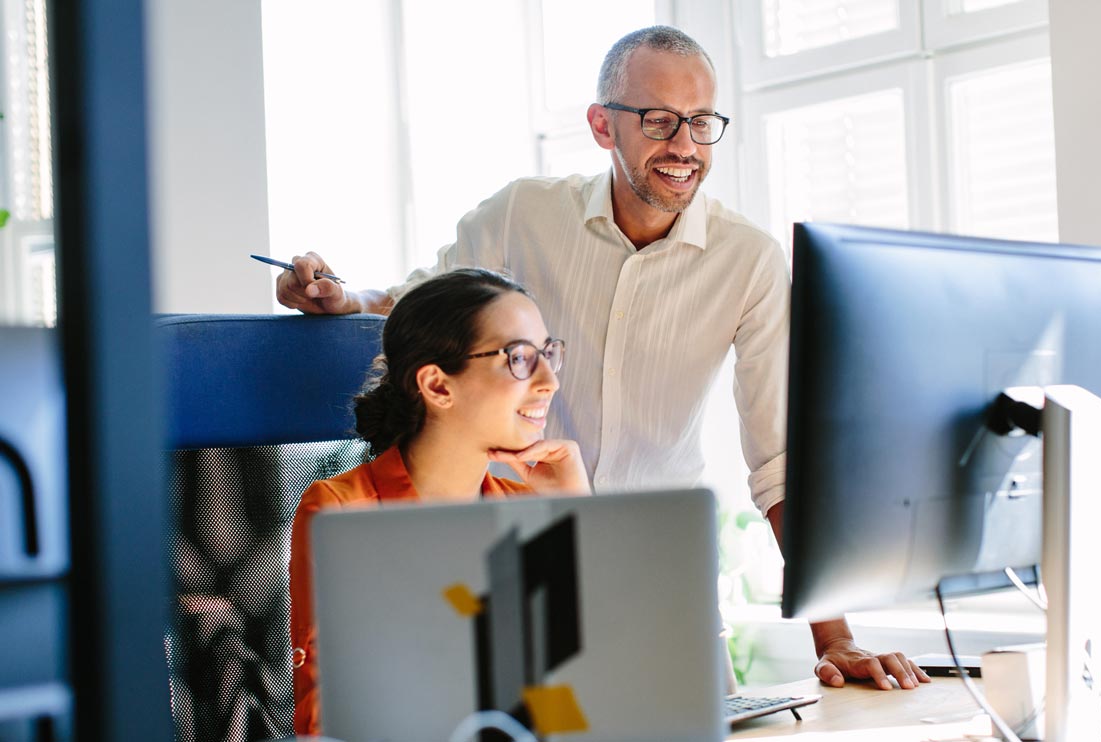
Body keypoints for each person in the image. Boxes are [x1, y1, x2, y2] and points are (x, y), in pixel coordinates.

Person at [276, 26, 930, 693]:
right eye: (660, 120)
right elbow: (428, 303)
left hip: (655, 589)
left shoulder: (749, 260)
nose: (685, 146)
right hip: (513, 572)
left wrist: (836, 636)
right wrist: (343, 297)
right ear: (601, 126)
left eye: (702, 123)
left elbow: (781, 462)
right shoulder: (522, 215)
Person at [287, 268, 590, 735]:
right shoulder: (345, 512)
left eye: (549, 354)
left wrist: (575, 513)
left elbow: (572, 697)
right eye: (521, 358)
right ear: (438, 386)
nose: (549, 380)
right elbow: (328, 721)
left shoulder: (523, 506)